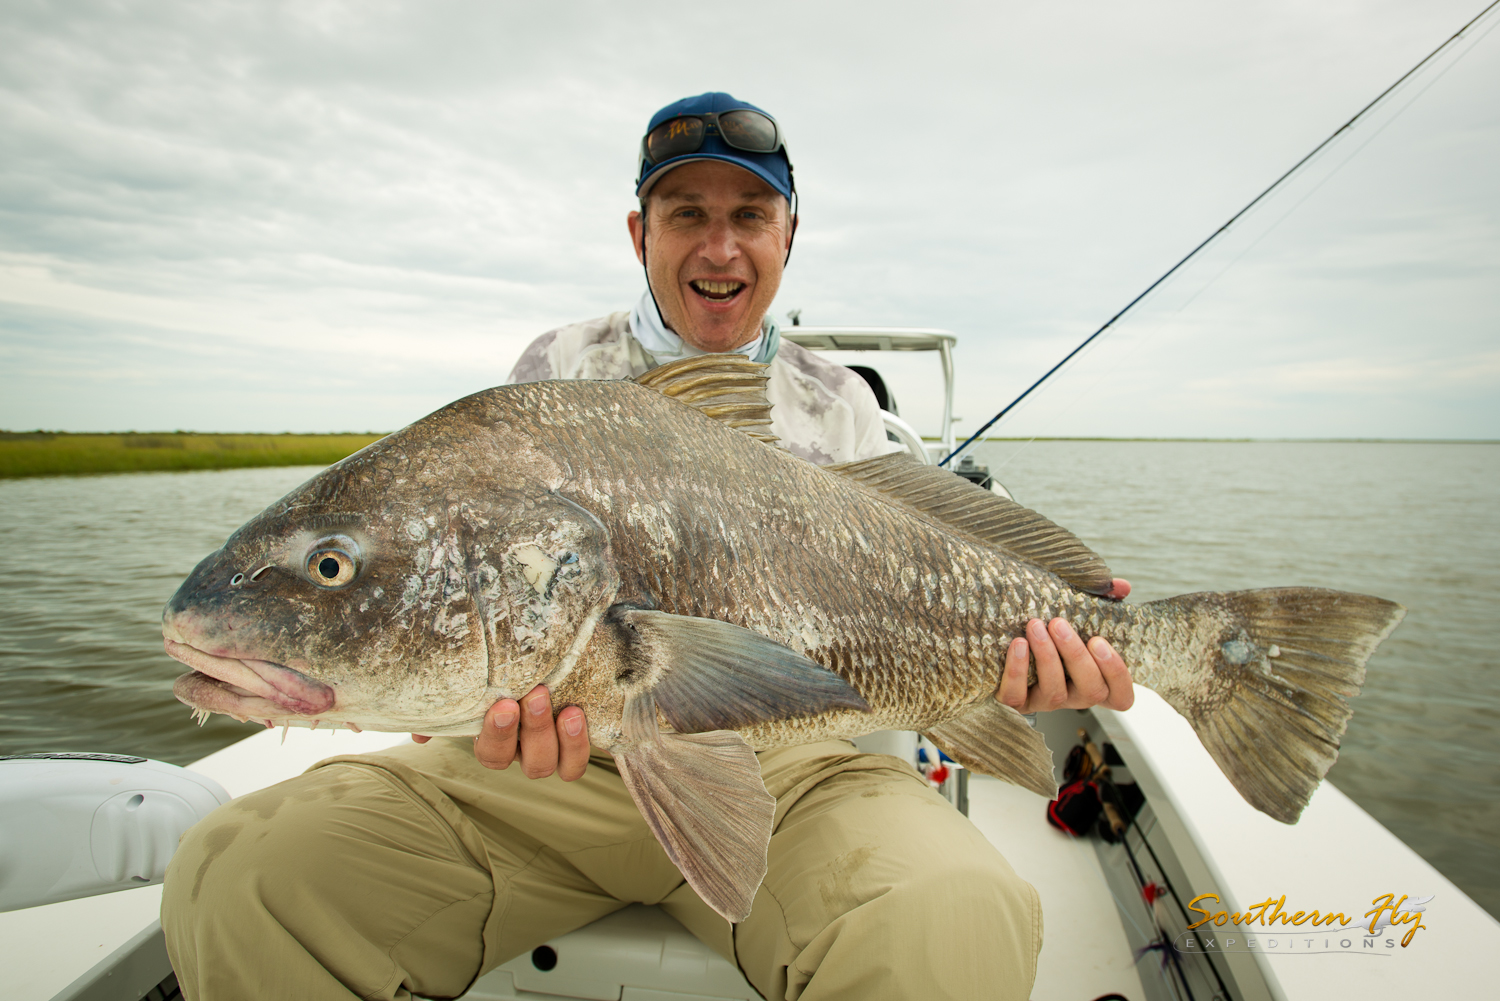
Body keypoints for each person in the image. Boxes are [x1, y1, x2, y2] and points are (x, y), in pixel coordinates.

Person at [162, 92, 1134, 1001]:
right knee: (241, 875)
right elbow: (521, 624)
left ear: (788, 234)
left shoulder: (842, 405)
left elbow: (917, 604)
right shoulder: (556, 372)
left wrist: (1037, 655)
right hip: (552, 772)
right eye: (685, 214)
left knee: (954, 911)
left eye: (751, 215)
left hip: (799, 763)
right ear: (640, 232)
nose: (721, 246)